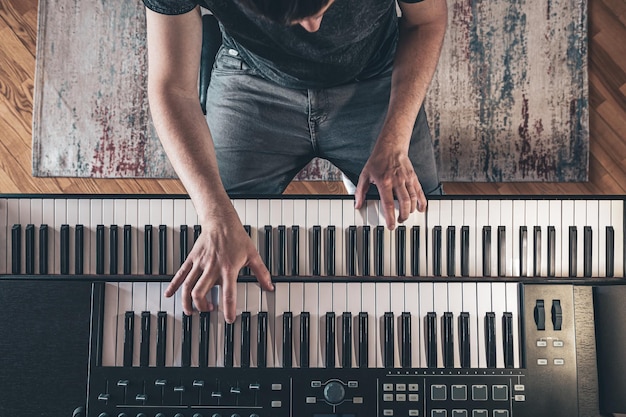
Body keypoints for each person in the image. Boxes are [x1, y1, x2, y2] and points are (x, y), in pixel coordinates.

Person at [142, 0, 448, 323]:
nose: (314, 26)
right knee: (214, 250)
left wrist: (394, 139)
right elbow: (171, 87)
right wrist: (214, 212)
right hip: (252, 80)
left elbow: (425, 21)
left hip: (373, 74)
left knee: (425, 252)